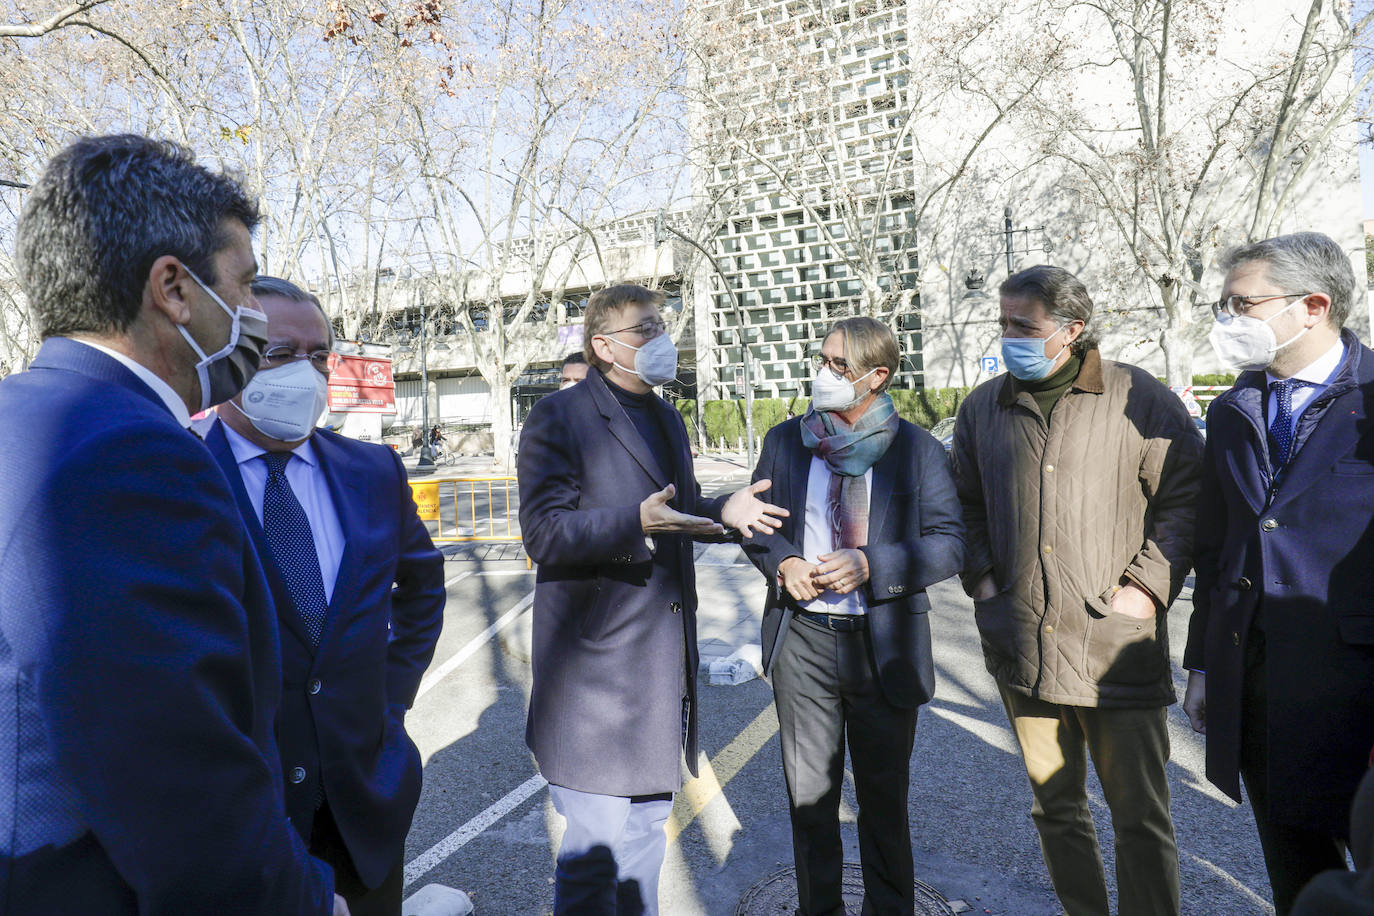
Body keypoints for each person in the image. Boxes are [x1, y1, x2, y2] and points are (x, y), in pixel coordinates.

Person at [0, 135, 342, 914]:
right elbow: (183, 783)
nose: (254, 313)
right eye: (246, 285)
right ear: (174, 290)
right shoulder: (129, 455)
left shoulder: (22, 413)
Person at [517, 283, 787, 915]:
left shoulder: (665, 416)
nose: (660, 339)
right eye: (645, 329)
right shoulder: (559, 416)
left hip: (661, 675)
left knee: (643, 851)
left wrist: (726, 510)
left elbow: (678, 511)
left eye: (661, 326)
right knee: (594, 859)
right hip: (594, 680)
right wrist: (632, 524)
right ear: (604, 345)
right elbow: (542, 533)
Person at [952, 265, 1202, 916]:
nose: (1008, 336)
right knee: (1056, 810)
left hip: (1111, 649)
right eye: (1002, 323)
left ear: (1072, 330)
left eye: (1023, 326)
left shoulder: (1137, 398)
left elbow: (1189, 499)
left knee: (1140, 819)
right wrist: (982, 579)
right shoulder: (983, 407)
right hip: (1022, 646)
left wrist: (1145, 589)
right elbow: (965, 504)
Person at [205, 276, 446, 915]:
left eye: (319, 355)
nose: (305, 373)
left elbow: (422, 591)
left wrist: (389, 704)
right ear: (225, 357)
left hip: (364, 808)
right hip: (242, 815)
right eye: (279, 354)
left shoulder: (373, 471)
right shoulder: (179, 475)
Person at [742, 317, 964, 914]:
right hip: (804, 641)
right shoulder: (786, 440)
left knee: (884, 802)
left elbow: (950, 543)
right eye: (821, 360)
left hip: (882, 645)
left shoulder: (916, 449)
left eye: (838, 366)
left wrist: (873, 564)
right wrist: (782, 563)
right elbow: (754, 524)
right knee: (810, 801)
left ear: (877, 376)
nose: (824, 374)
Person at [1182, 231, 1374, 914]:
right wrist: (1204, 662)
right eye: (1223, 304)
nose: (1227, 320)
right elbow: (1220, 544)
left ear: (1313, 305)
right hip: (1259, 685)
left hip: (1356, 691)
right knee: (1298, 878)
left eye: (1243, 304)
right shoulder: (1234, 408)